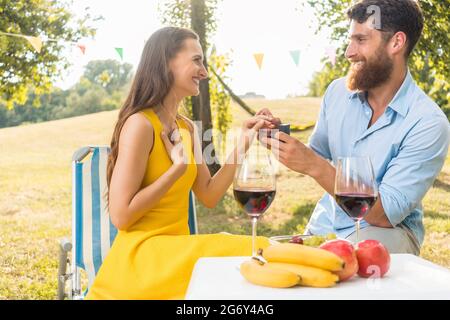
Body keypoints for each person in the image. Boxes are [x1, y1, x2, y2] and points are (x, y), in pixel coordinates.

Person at [86, 27, 274, 300]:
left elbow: (209, 195)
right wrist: (176, 171)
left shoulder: (187, 128)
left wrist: (244, 141)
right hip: (142, 262)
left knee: (257, 257)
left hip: (176, 258)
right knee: (257, 251)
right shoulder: (140, 125)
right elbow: (121, 216)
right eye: (196, 60)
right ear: (166, 63)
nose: (205, 72)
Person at [259, 0, 449, 255]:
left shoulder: (427, 122)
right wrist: (280, 136)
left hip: (388, 234)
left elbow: (383, 215)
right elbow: (316, 154)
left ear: (396, 42)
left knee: (336, 269)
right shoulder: (337, 92)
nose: (349, 52)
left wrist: (316, 167)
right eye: (351, 39)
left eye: (361, 40)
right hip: (326, 225)